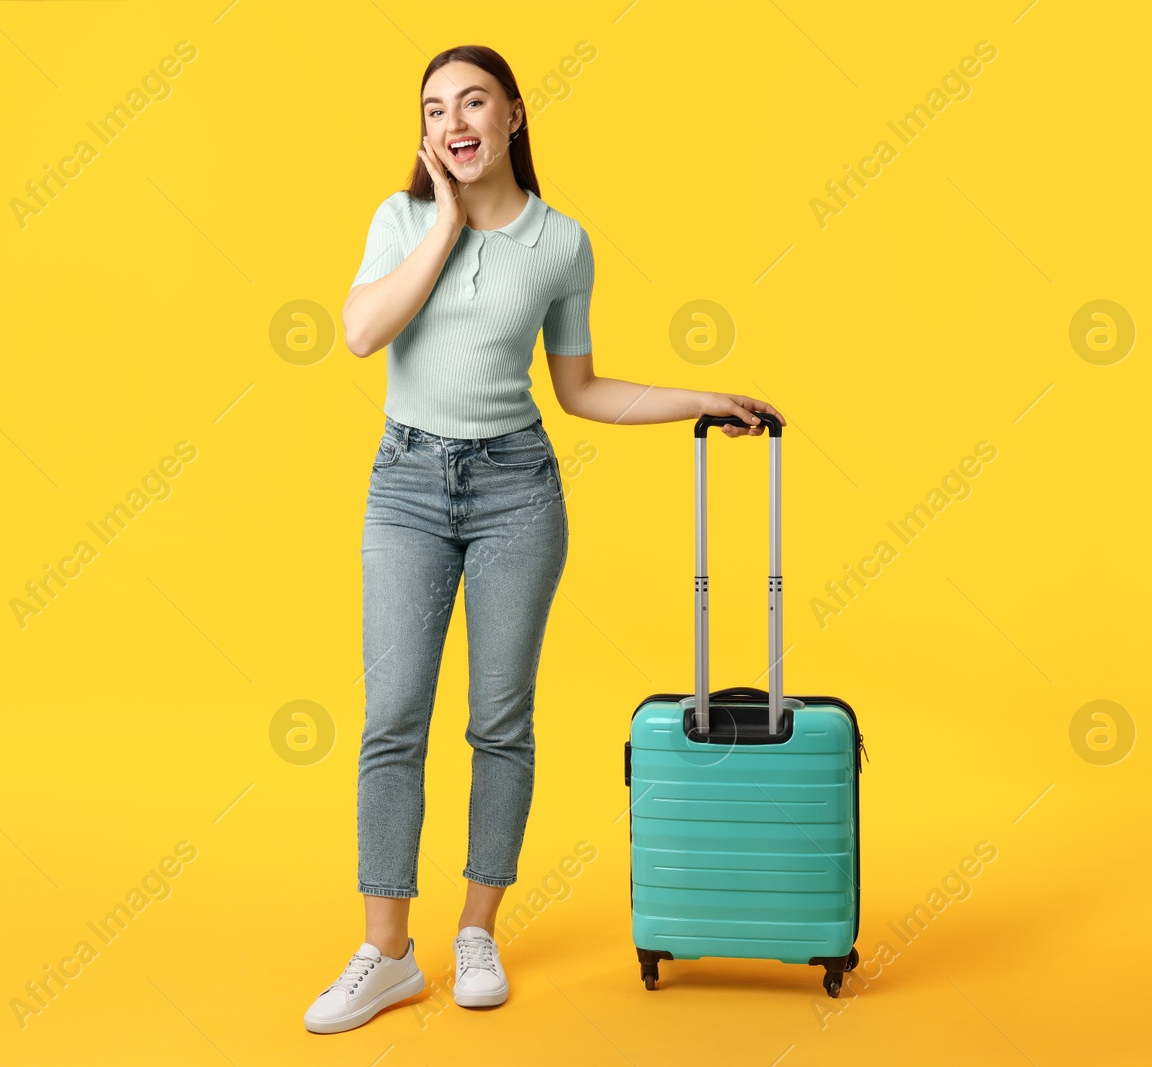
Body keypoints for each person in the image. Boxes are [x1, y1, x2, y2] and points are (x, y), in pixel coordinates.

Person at [304, 44, 782, 1036]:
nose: (452, 120)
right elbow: (359, 334)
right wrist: (442, 223)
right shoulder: (397, 220)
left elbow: (579, 390)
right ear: (425, 133)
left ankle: (477, 927)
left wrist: (697, 395)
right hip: (405, 483)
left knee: (498, 718)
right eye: (434, 108)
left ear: (514, 114)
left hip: (515, 489)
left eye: (472, 100)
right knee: (393, 714)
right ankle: (386, 951)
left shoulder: (561, 242)